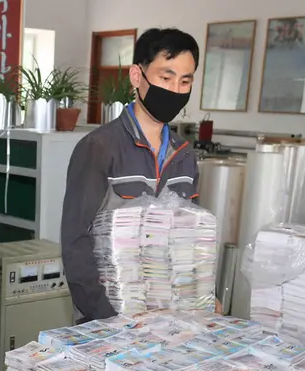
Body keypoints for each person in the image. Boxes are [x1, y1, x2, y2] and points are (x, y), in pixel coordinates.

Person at [61, 28, 209, 323]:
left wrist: (200, 298)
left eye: (185, 81)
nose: (175, 90)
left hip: (169, 320)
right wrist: (108, 318)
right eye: (165, 78)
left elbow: (190, 239)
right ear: (137, 76)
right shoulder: (98, 148)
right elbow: (76, 244)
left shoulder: (185, 156)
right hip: (107, 319)